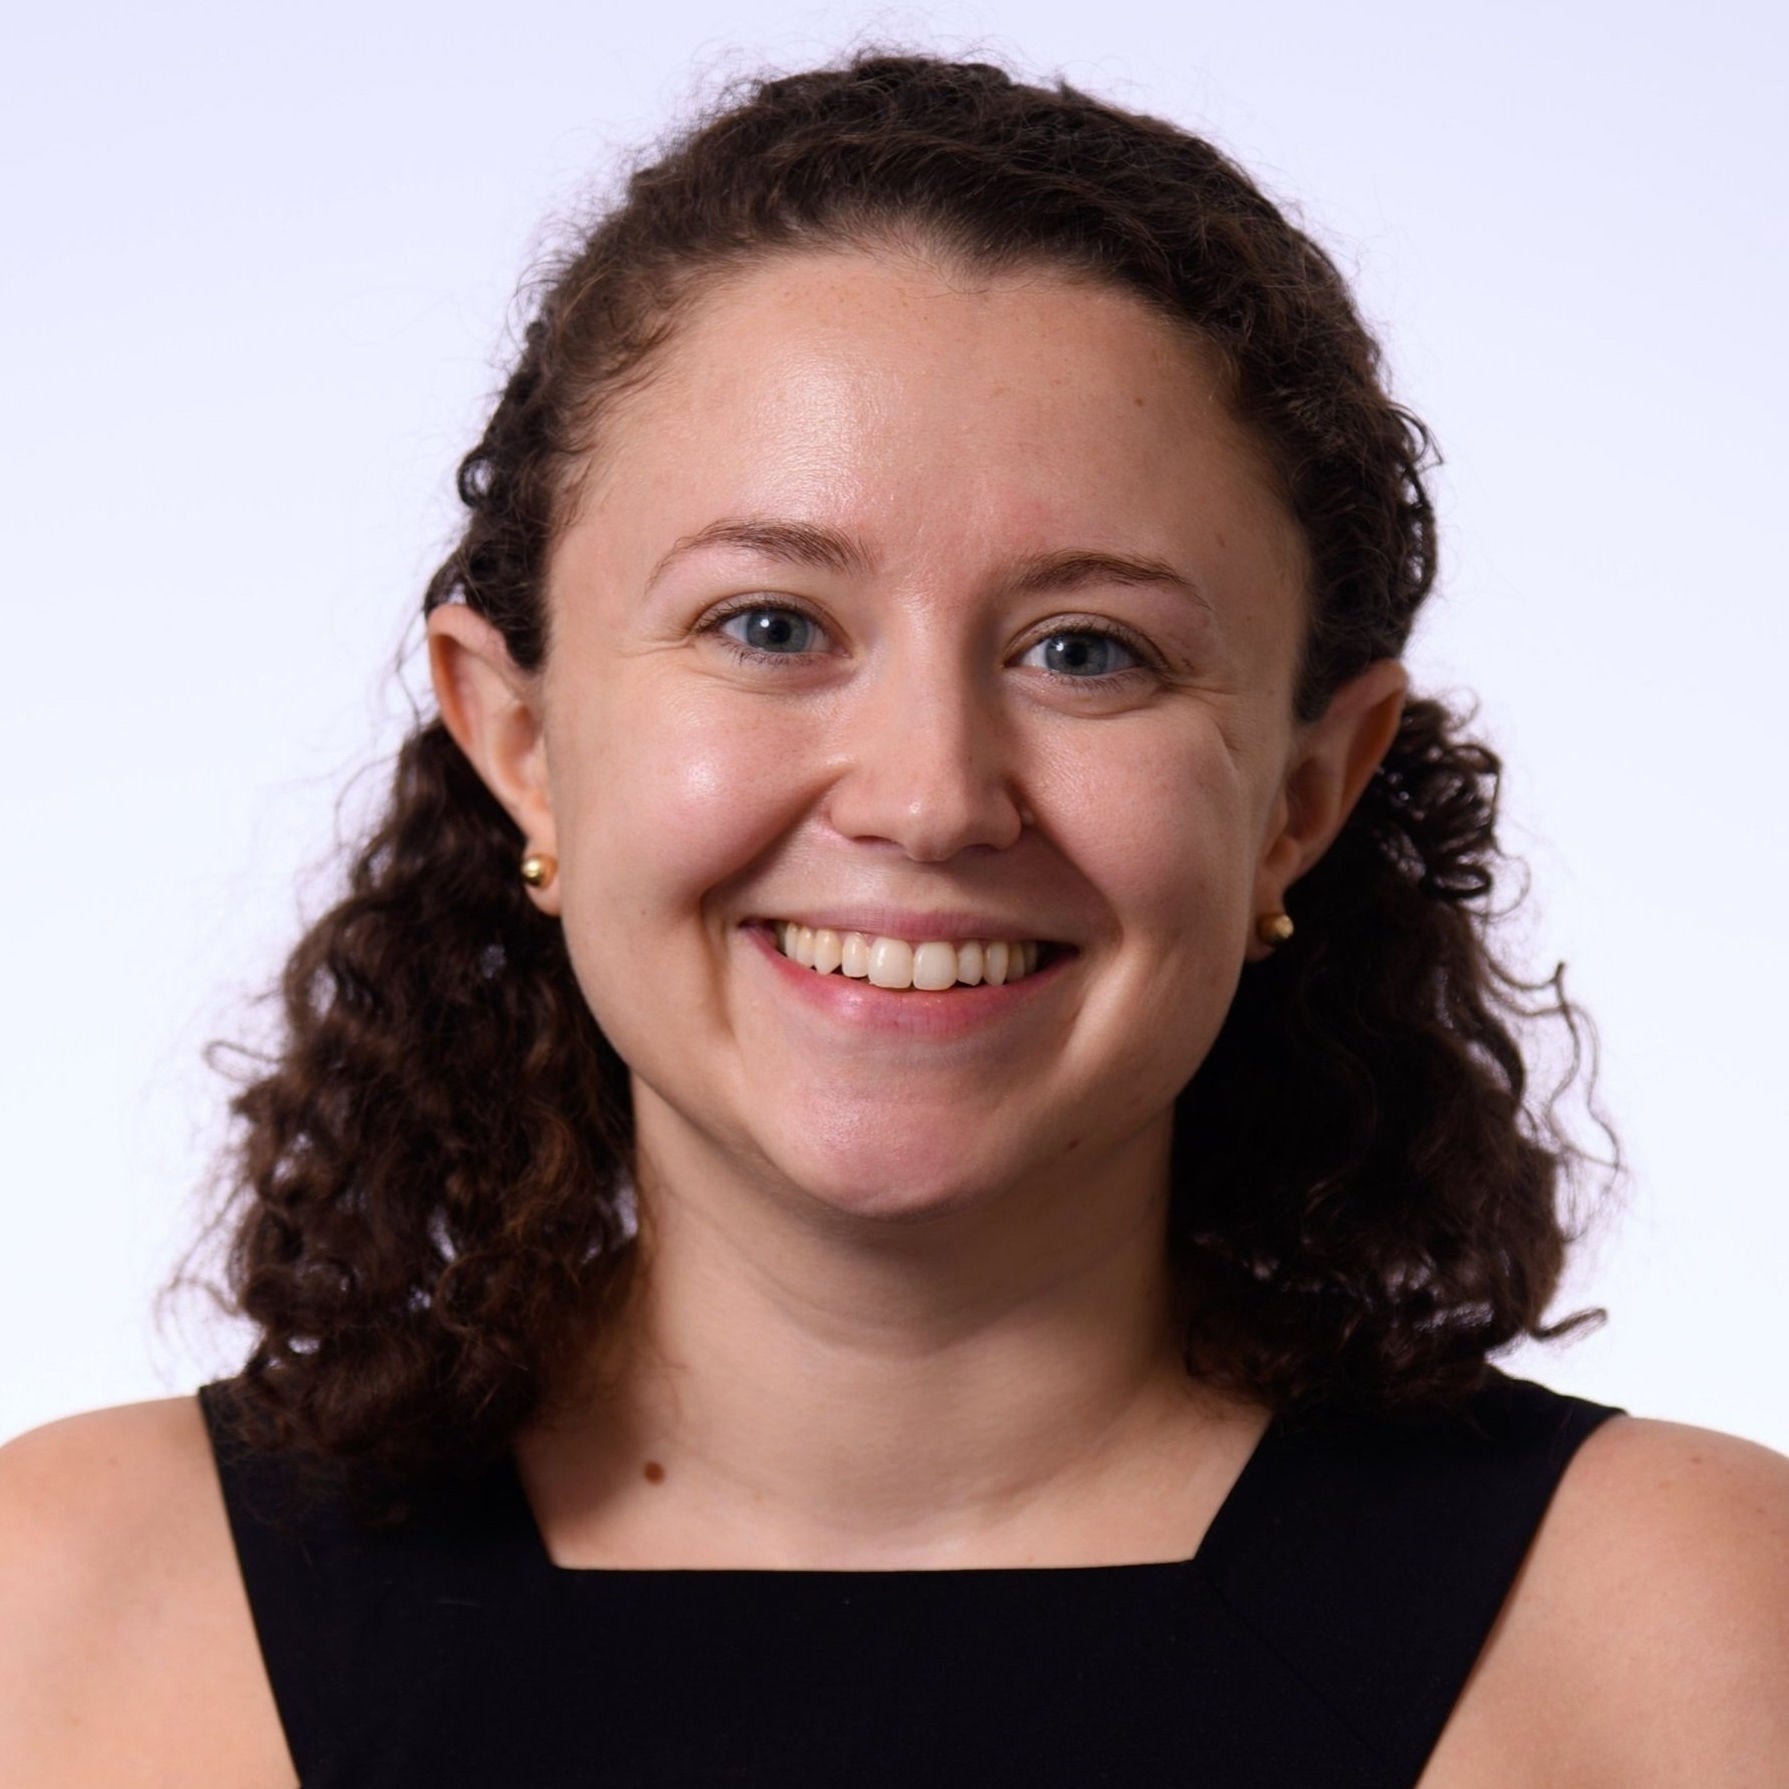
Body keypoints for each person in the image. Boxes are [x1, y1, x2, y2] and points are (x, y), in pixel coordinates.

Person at [2, 49, 1786, 1788]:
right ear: (520, 737)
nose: (928, 796)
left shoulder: (1681, 1631)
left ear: (1303, 797)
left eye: (1087, 651)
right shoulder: (73, 1610)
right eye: (769, 625)